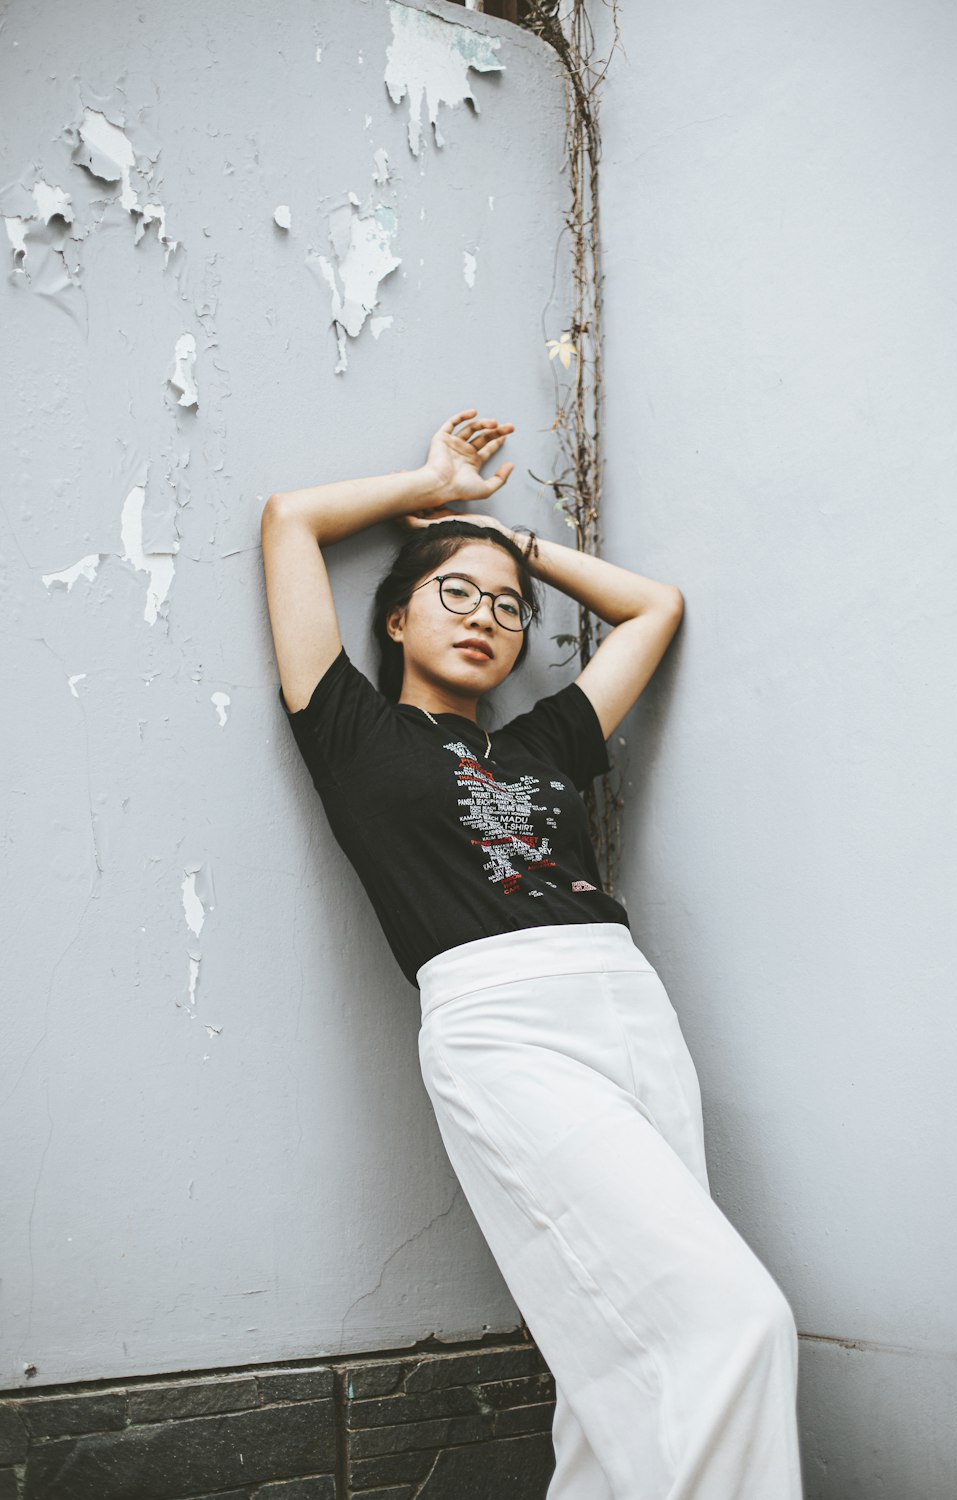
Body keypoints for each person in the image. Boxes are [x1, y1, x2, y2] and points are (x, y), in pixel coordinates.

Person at [261, 408, 804, 1500]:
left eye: (508, 608)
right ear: (398, 620)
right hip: (501, 1024)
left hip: (629, 1011)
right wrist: (434, 488)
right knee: (736, 1321)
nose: (486, 614)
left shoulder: (543, 741)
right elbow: (290, 521)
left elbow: (655, 608)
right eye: (453, 593)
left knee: (618, 1370)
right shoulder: (350, 727)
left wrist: (516, 548)